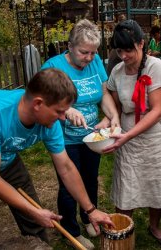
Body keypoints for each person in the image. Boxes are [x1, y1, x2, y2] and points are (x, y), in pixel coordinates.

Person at [0, 68, 114, 249]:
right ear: (38, 104)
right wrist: (33, 210)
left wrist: (91, 210)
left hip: (7, 159)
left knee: (35, 221)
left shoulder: (51, 123)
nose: (64, 118)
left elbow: (65, 167)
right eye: (59, 111)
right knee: (32, 211)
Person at [104, 20, 161, 246]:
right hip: (129, 133)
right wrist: (109, 120)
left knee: (157, 181)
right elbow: (115, 105)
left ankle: (154, 225)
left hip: (159, 135)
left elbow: (158, 110)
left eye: (129, 49)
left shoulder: (156, 67)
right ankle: (122, 227)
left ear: (142, 44)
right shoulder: (118, 71)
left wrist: (127, 135)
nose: (123, 56)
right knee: (126, 183)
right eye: (119, 50)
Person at [41, 19, 119, 249]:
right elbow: (44, 99)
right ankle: (70, 229)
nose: (89, 58)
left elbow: (103, 94)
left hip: (91, 136)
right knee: (67, 185)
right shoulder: (52, 67)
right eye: (84, 52)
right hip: (64, 137)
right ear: (70, 46)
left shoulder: (95, 64)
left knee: (90, 178)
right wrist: (67, 107)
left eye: (94, 52)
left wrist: (113, 116)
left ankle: (88, 217)